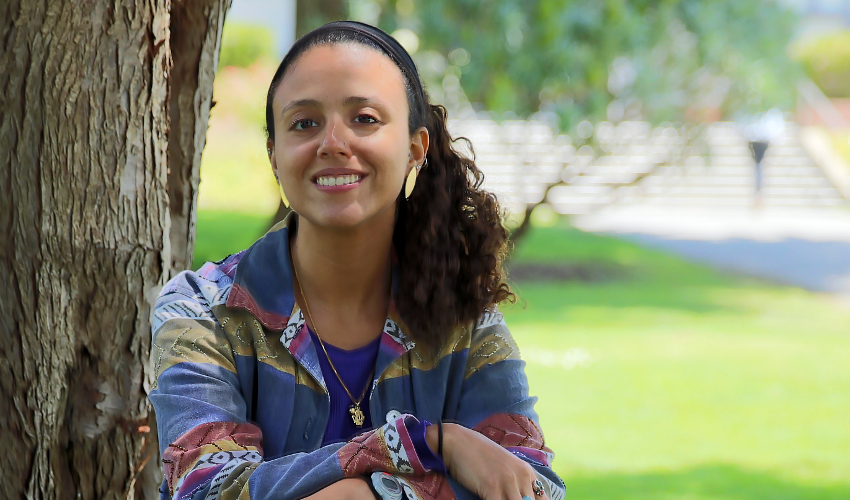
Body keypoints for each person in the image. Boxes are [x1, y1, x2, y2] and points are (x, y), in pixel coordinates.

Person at [149, 21, 565, 500]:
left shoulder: (464, 321)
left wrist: (364, 495)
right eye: (304, 123)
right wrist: (426, 443)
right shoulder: (202, 312)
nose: (333, 143)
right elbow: (208, 488)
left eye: (364, 118)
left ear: (415, 150)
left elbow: (533, 489)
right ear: (275, 156)